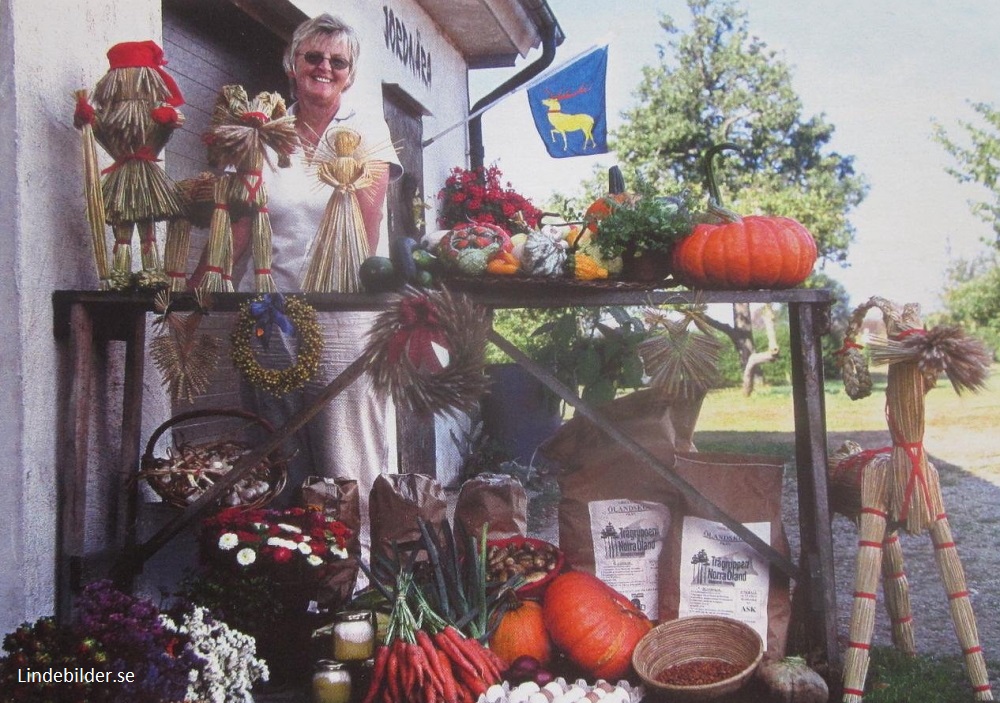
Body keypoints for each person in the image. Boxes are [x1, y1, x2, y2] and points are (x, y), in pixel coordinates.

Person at [192, 13, 402, 581]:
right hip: (270, 313)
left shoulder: (367, 131)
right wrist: (203, 283)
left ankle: (359, 584)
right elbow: (242, 225)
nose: (324, 69)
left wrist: (335, 165)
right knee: (278, 451)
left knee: (346, 454)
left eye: (338, 61)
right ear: (292, 65)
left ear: (351, 74)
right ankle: (286, 582)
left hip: (344, 314)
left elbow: (367, 213)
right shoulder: (266, 131)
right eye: (314, 57)